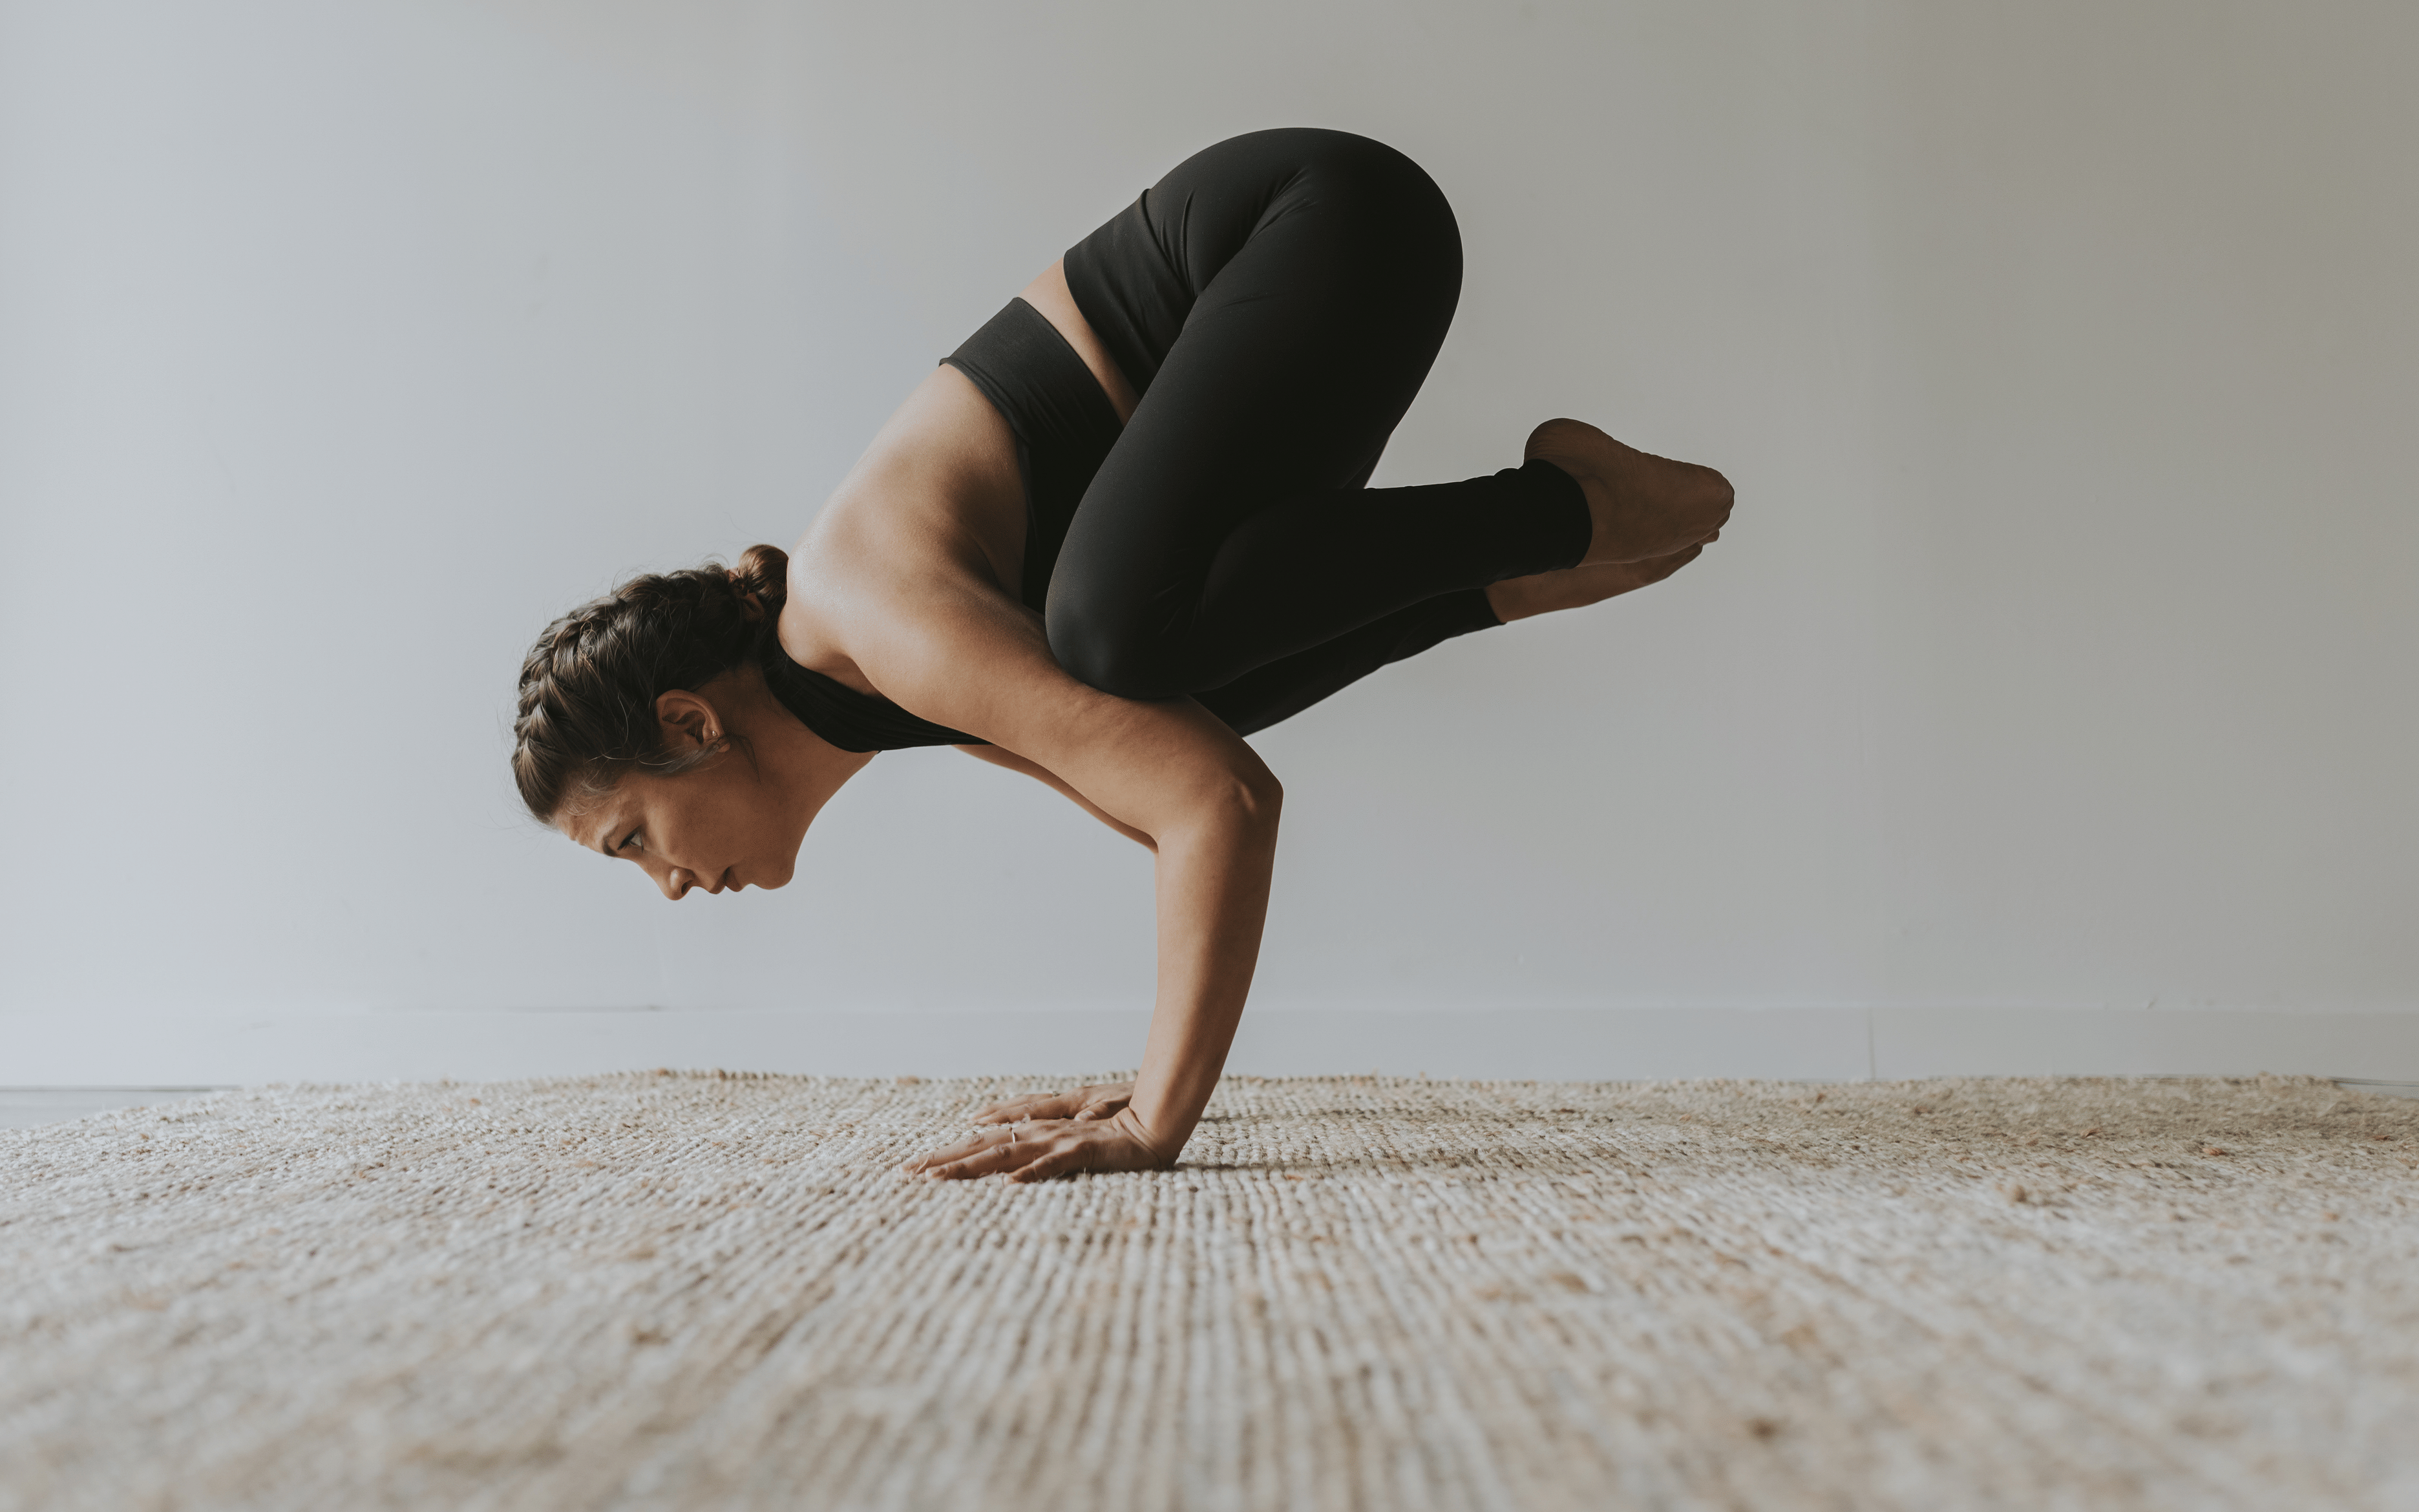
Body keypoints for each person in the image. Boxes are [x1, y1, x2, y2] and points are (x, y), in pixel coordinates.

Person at [510, 129, 1733, 1184]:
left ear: (686, 725)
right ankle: (1524, 564)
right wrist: (1141, 1073)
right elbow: (1166, 799)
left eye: (632, 842)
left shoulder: (874, 616)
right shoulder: (880, 689)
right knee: (1161, 693)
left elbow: (1223, 806)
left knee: (1118, 639)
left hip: (1315, 221)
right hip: (1328, 258)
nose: (666, 887)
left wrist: (1158, 1117)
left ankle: (1563, 507)